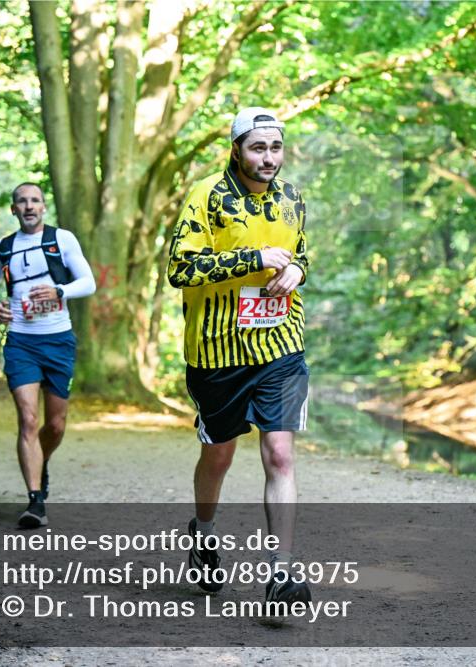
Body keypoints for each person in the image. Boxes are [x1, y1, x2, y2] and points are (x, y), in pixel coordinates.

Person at [167, 107, 311, 603]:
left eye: (275, 148)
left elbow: (301, 254)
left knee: (279, 453)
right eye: (258, 147)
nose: (268, 158)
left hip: (280, 345)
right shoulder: (206, 197)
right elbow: (180, 269)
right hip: (217, 352)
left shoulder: (292, 199)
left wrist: (297, 272)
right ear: (236, 149)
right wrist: (251, 260)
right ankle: (203, 533)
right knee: (220, 454)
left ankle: (282, 573)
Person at [0, 182, 96, 528]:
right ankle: (35, 502)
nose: (29, 206)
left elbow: (88, 282)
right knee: (28, 420)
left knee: (56, 425)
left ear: (43, 207)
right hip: (21, 342)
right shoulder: (4, 247)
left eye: (35, 201)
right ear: (13, 209)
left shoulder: (62, 240)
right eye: (22, 202)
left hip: (58, 341)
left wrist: (59, 289)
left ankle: (39, 462)